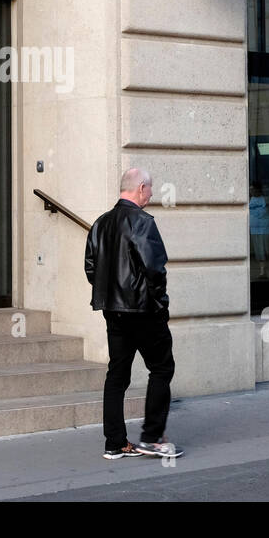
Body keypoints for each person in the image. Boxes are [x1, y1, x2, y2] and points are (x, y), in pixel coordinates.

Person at [84, 167, 183, 460]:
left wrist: (112, 296)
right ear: (140, 188)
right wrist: (160, 304)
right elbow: (155, 269)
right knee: (162, 368)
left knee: (117, 375)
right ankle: (152, 438)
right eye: (150, 189)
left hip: (113, 311)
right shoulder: (142, 222)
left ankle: (115, 443)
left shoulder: (100, 224)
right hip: (143, 311)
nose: (151, 194)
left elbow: (91, 268)